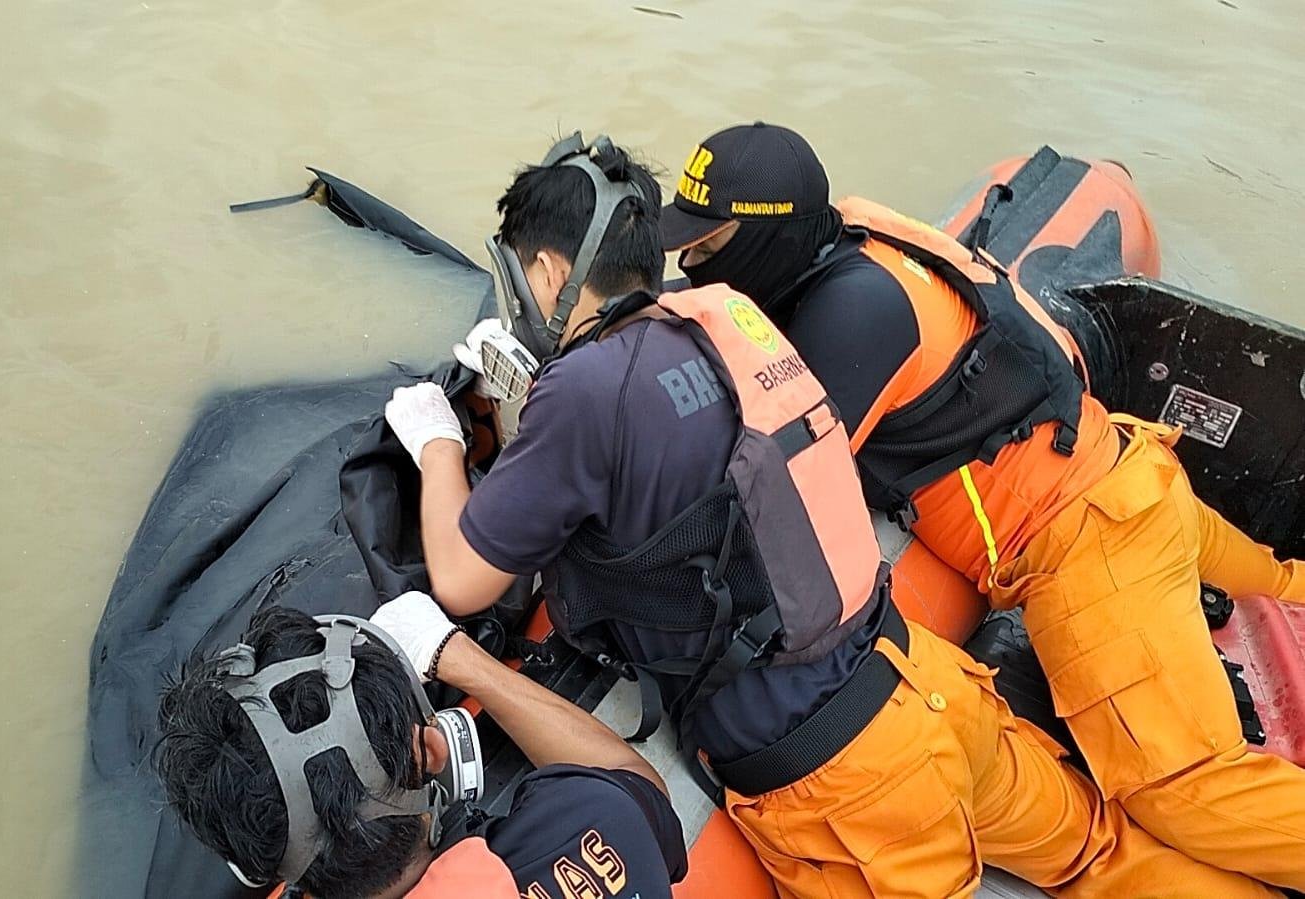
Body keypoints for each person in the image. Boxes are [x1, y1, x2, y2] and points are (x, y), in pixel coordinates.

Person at [384, 132, 1278, 897]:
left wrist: (438, 443)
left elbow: (466, 578)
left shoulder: (591, 392)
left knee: (1183, 789)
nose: (695, 259)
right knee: (1095, 847)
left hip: (843, 776)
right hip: (915, 678)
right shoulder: (734, 320)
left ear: (545, 269)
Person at [660, 121, 1305, 890]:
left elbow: (763, 501)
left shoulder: (853, 315)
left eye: (705, 245)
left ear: (767, 236)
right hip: (1126, 477)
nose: (689, 261)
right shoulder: (852, 242)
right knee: (1282, 579)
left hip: (1082, 542)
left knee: (1180, 790)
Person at [155, 599, 688, 899]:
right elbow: (637, 787)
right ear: (435, 748)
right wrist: (461, 660)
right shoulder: (592, 820)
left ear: (253, 866)